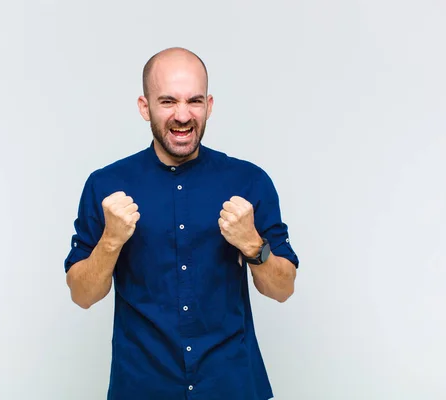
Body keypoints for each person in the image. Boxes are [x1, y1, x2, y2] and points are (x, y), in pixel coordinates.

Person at [64, 47, 300, 400]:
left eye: (195, 101)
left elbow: (283, 289)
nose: (183, 115)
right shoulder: (105, 186)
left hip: (232, 385)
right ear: (145, 107)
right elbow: (82, 295)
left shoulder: (249, 182)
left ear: (210, 105)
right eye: (168, 101)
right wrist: (111, 241)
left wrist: (253, 245)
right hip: (142, 387)